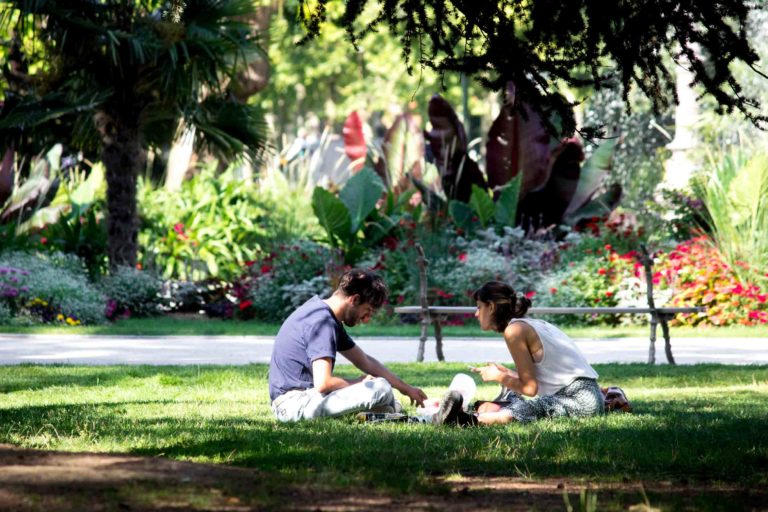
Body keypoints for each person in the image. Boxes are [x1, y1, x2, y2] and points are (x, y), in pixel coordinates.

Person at [434, 281, 603, 426]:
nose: (476, 313)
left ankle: (467, 420)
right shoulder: (526, 324)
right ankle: (466, 412)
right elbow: (543, 380)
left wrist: (498, 376)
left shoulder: (514, 331)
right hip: (588, 397)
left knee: (531, 406)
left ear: (491, 307)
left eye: (479, 307)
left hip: (578, 400)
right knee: (516, 395)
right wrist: (506, 374)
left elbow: (530, 389)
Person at [269, 268, 427, 422]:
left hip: (301, 401)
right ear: (354, 300)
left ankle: (378, 413)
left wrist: (407, 389)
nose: (366, 319)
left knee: (387, 398)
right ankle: (382, 411)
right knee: (381, 389)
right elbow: (324, 383)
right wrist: (360, 382)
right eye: (367, 310)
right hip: (294, 405)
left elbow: (365, 361)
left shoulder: (324, 314)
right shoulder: (322, 323)